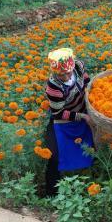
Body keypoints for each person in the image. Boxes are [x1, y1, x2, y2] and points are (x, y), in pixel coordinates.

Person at [44, 48, 94, 196]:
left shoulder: (78, 66)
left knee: (89, 150)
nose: (66, 76)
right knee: (55, 156)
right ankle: (51, 194)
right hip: (63, 122)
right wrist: (83, 117)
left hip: (84, 113)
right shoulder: (53, 86)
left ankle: (87, 184)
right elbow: (59, 112)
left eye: (68, 73)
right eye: (61, 74)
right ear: (55, 72)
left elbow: (87, 82)